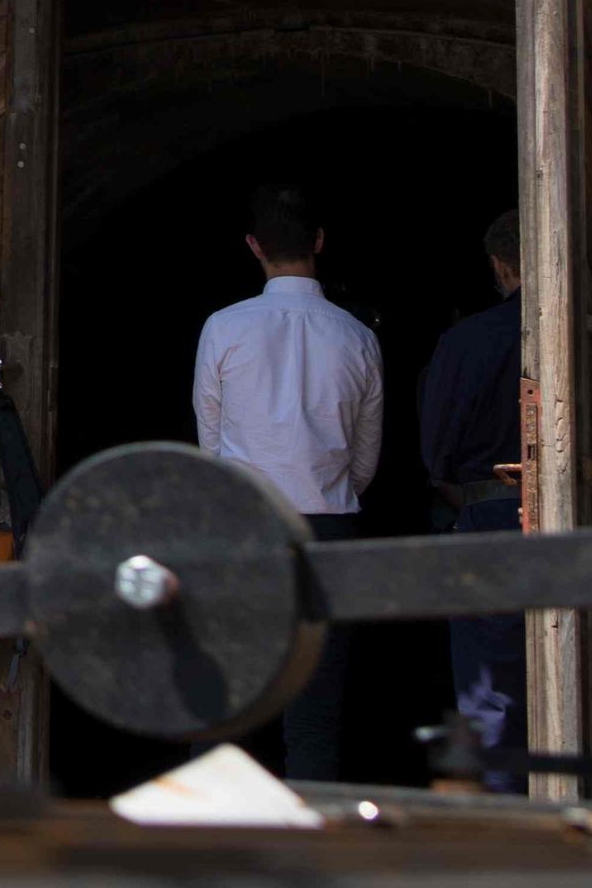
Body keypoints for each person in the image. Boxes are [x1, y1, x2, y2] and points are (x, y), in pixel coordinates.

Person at [193, 182, 384, 781]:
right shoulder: (358, 337)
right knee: (314, 714)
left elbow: (211, 441)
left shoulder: (222, 329)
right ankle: (308, 853)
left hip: (242, 528)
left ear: (254, 247)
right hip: (327, 533)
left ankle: (210, 846)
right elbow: (364, 460)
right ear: (319, 242)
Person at [421, 210, 527, 788]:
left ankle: (501, 825)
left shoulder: (466, 341)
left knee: (491, 690)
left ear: (499, 264)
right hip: (591, 523)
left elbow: (436, 451)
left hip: (488, 515)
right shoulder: (581, 323)